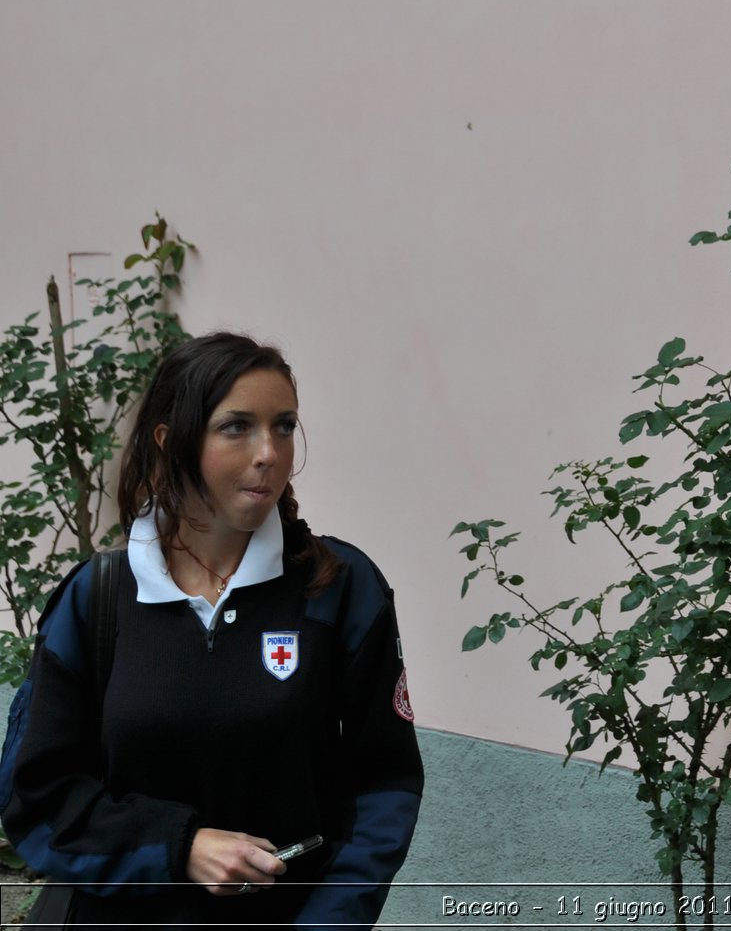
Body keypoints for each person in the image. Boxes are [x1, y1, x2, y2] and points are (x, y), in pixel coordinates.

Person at [0, 332, 424, 928]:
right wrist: (180, 847)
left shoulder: (339, 589)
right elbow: (37, 798)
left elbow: (386, 782)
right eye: (237, 427)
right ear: (171, 442)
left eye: (283, 426)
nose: (269, 452)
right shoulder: (97, 599)